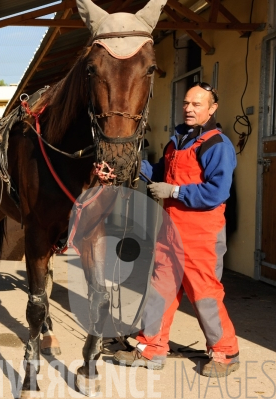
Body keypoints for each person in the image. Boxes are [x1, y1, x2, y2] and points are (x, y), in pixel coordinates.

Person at [113, 82, 239, 377]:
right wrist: (132, 162)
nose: (189, 109)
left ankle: (225, 352)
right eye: (186, 103)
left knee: (204, 294)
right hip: (170, 230)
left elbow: (217, 191)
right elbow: (160, 173)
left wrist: (176, 192)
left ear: (212, 108)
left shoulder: (216, 145)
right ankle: (151, 348)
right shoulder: (177, 141)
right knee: (160, 290)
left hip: (202, 234)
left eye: (197, 104)